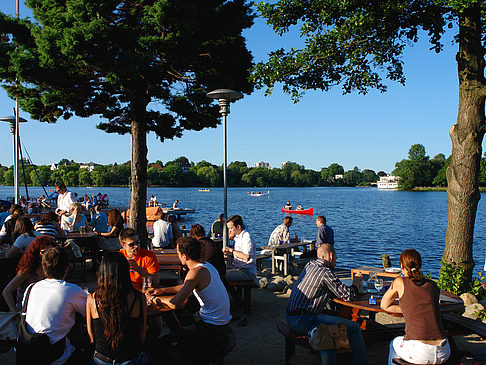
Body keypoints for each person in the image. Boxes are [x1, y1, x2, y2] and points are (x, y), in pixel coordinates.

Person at [146, 237, 233, 363]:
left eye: (178, 254)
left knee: (161, 346)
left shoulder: (195, 273)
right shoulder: (206, 266)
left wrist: (153, 299)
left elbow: (175, 303)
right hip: (222, 324)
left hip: (211, 329)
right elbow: (187, 286)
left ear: (184, 256)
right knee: (179, 322)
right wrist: (162, 291)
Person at [286, 243, 367, 365]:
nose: (336, 261)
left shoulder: (310, 265)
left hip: (291, 316)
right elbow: (349, 295)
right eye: (335, 258)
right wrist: (356, 283)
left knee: (338, 317)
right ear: (330, 256)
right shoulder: (325, 272)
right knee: (355, 328)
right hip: (304, 319)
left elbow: (330, 290)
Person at [20, 246, 88, 364]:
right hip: (54, 355)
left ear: (44, 268)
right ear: (66, 269)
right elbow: (90, 312)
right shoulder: (71, 290)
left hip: (27, 350)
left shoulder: (31, 288)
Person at [381, 249, 450, 364]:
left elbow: (384, 305)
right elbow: (428, 307)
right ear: (420, 265)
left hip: (421, 352)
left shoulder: (400, 282)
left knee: (394, 343)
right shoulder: (432, 285)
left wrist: (408, 309)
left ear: (402, 266)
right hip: (444, 350)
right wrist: (410, 309)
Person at [87, 252, 148, 365]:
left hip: (101, 359)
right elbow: (142, 335)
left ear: (102, 272)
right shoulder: (139, 298)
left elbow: (91, 336)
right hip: (130, 358)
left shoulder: (92, 299)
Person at [2, 236, 57, 312]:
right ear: (36, 252)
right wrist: (15, 312)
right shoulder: (28, 270)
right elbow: (7, 291)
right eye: (43, 252)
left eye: (49, 252)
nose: (46, 255)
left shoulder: (52, 268)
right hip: (27, 310)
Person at [189, 224, 227, 288]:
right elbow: (223, 268)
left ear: (193, 236)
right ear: (204, 233)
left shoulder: (195, 247)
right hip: (220, 278)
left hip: (204, 279)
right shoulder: (214, 244)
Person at [223, 215, 256, 282]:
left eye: (231, 228)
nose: (229, 231)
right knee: (218, 272)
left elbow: (246, 257)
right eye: (228, 229)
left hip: (247, 271)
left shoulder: (247, 237)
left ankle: (232, 292)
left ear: (238, 227)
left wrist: (231, 251)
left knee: (222, 277)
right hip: (237, 267)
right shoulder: (238, 235)